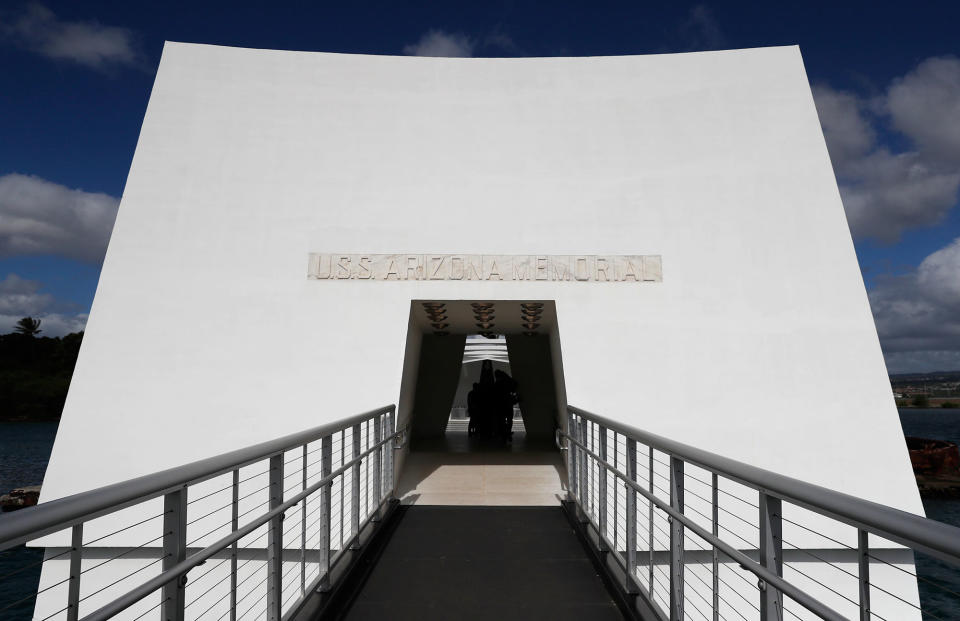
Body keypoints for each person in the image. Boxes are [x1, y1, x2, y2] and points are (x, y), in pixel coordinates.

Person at [494, 369, 519, 439]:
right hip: (508, 404)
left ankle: (504, 432)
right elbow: (514, 385)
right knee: (509, 419)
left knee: (502, 419)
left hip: (500, 405)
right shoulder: (507, 381)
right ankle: (508, 431)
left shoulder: (497, 384)